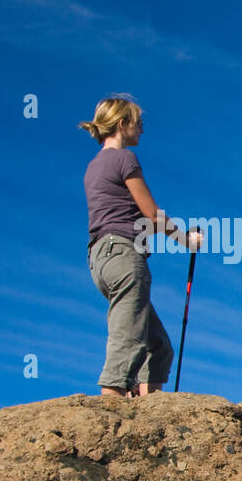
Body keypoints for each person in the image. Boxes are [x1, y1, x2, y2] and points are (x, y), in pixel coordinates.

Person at [80, 94, 202, 397]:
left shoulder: (93, 167)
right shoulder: (124, 159)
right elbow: (151, 213)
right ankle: (112, 402)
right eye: (138, 123)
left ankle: (148, 409)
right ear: (123, 124)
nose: (142, 130)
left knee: (158, 346)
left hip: (101, 259)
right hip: (123, 255)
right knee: (129, 336)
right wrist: (186, 240)